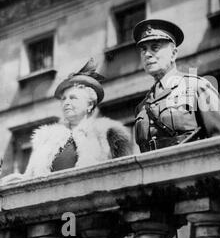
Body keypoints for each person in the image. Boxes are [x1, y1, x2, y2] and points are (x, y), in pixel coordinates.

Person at [0, 59, 132, 183]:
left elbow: (124, 175)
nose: (66, 103)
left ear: (90, 104)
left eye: (73, 98)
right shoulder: (45, 139)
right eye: (64, 99)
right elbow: (28, 179)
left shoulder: (109, 133)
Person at [132, 19, 220, 153]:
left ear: (173, 54)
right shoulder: (142, 106)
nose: (147, 54)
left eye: (155, 47)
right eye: (143, 50)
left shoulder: (196, 87)